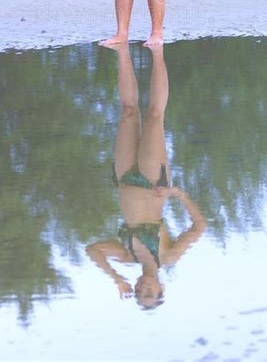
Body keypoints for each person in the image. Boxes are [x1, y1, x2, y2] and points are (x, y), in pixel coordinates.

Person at [86, 44, 206, 308]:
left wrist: (116, 278)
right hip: (154, 182)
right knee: (154, 117)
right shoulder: (169, 256)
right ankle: (158, 50)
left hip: (124, 178)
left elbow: (92, 250)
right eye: (150, 293)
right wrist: (178, 194)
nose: (143, 289)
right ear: (161, 288)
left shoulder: (128, 256)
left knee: (128, 113)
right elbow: (200, 226)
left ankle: (122, 51)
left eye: (140, 293)